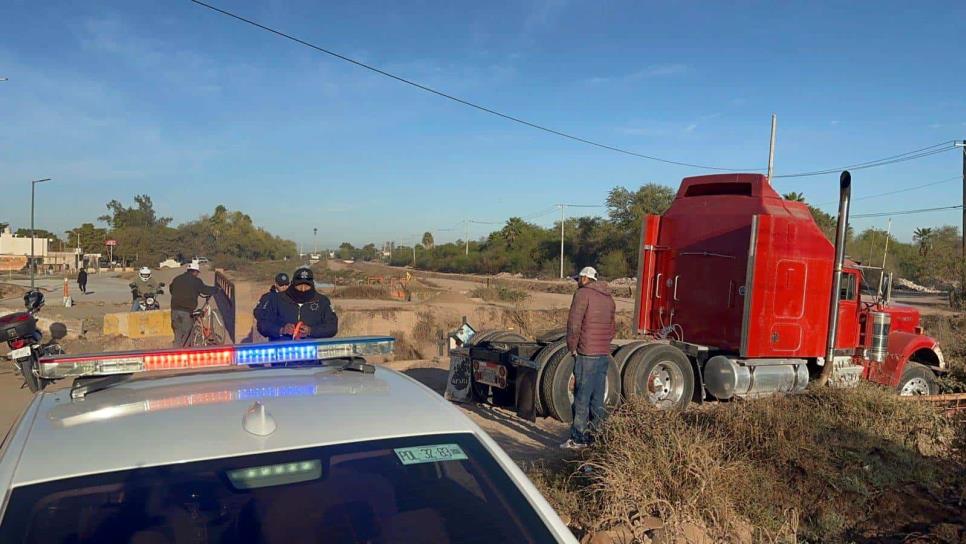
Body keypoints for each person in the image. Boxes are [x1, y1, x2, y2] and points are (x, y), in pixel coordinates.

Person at [561, 266, 616, 450]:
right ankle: (596, 438)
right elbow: (612, 328)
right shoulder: (608, 298)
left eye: (579, 278)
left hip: (587, 353)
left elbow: (574, 324)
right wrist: (604, 345)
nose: (577, 281)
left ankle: (578, 439)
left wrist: (572, 347)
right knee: (597, 399)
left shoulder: (583, 294)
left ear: (585, 278)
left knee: (581, 398)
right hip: (603, 353)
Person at [256, 267, 337, 341]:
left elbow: (332, 327)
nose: (303, 290)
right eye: (299, 286)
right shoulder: (276, 299)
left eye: (307, 286)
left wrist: (311, 331)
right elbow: (262, 324)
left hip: (312, 350)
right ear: (292, 284)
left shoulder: (322, 301)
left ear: (312, 285)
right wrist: (281, 330)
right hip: (281, 350)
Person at [169, 262, 218, 347]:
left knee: (178, 332)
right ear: (195, 272)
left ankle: (176, 351)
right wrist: (215, 289)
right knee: (188, 333)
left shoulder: (177, 278)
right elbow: (204, 290)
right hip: (186, 310)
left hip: (174, 309)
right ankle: (185, 352)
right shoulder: (196, 281)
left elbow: (171, 289)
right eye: (197, 273)